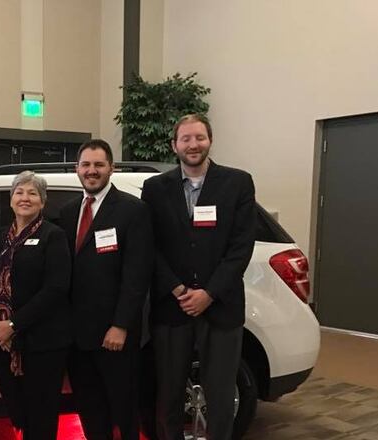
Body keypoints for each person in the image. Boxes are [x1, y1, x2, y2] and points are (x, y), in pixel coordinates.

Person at [141, 114, 256, 440]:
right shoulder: (155, 189)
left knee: (221, 398)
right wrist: (178, 288)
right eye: (186, 139)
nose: (193, 145)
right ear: (174, 144)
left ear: (210, 140)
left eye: (199, 138)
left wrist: (208, 293)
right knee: (169, 397)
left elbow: (241, 247)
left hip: (221, 307)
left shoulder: (237, 183)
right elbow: (149, 246)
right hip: (171, 308)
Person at [59, 139, 153, 440]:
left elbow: (136, 276)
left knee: (123, 409)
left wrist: (120, 325)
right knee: (90, 408)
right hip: (77, 335)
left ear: (110, 168)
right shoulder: (68, 211)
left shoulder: (132, 210)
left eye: (99, 165)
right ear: (77, 169)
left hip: (115, 336)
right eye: (86, 165)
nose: (92, 171)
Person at [0, 171, 72, 440]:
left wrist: (13, 325)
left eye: (32, 193)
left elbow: (56, 289)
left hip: (41, 343)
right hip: (2, 343)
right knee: (17, 410)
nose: (25, 198)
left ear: (43, 201)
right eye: (19, 192)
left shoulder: (54, 236)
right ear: (11, 199)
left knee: (41, 415)